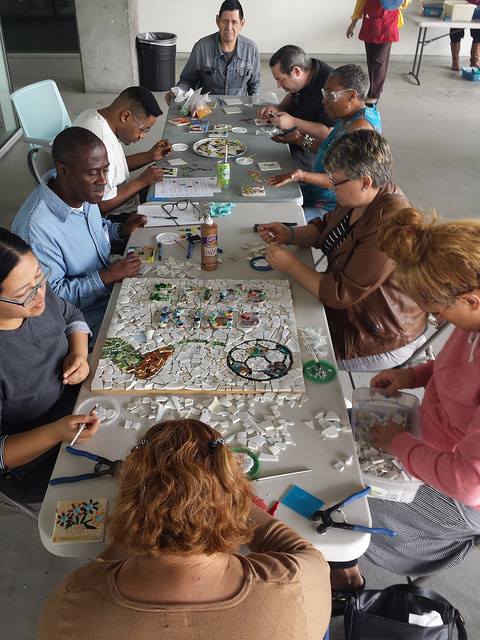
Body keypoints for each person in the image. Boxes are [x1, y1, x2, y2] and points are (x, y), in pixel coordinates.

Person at [38, 419, 331, 640]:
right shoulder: (295, 583)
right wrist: (227, 497)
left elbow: (104, 569)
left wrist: (147, 513)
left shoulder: (76, 598)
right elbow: (302, 550)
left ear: (128, 501)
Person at [330, 209, 480, 608]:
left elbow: (467, 483)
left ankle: (346, 572)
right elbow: (452, 369)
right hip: (427, 438)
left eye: (437, 311)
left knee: (335, 503)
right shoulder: (473, 324)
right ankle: (341, 556)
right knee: (330, 433)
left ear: (471, 299)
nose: (434, 319)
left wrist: (399, 444)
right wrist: (412, 376)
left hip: (461, 496)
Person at [258, 130, 426, 372]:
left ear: (365, 182)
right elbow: (325, 226)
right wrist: (290, 234)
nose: (331, 187)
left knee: (284, 353)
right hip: (352, 311)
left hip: (377, 335)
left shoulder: (390, 225)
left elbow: (339, 294)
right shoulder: (362, 197)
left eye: (336, 182)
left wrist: (290, 265)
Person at [12, 127, 146, 339]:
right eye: (93, 173)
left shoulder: (81, 193)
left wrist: (121, 231)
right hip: (81, 321)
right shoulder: (37, 228)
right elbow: (51, 301)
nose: (103, 180)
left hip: (109, 291)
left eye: (105, 170)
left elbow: (96, 231)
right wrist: (106, 276)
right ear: (63, 171)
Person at [0, 229, 100, 503]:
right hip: (35, 451)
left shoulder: (36, 300)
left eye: (39, 276)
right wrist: (55, 432)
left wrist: (79, 353)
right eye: (25, 291)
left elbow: (71, 315)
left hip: (77, 401)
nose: (40, 293)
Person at [268, 64, 381, 221]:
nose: (324, 101)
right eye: (324, 93)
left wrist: (302, 175)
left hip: (331, 205)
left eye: (331, 95)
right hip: (315, 191)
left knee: (278, 221)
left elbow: (343, 179)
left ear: (351, 96)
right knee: (269, 194)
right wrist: (300, 139)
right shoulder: (349, 116)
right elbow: (332, 149)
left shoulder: (359, 129)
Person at [73, 86, 172, 215]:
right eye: (143, 129)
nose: (142, 136)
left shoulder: (92, 115)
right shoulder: (99, 143)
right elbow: (102, 205)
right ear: (125, 116)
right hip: (113, 217)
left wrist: (150, 156)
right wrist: (142, 181)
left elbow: (114, 167)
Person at [257, 45, 335, 172]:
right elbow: (293, 94)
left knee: (278, 168)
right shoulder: (307, 70)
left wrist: (294, 122)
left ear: (297, 71)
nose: (278, 85)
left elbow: (329, 133)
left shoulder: (328, 86)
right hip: (297, 134)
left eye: (281, 80)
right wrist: (279, 108)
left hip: (318, 147)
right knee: (260, 144)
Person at [165, 0, 260, 104]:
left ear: (242, 24)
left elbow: (255, 85)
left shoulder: (251, 50)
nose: (229, 27)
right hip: (207, 108)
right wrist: (178, 91)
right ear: (217, 21)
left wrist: (255, 108)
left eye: (234, 22)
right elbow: (187, 80)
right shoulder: (202, 47)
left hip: (240, 109)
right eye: (225, 21)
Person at [346, 0, 411, 103]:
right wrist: (353, 22)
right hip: (370, 21)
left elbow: (402, 2)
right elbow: (360, 2)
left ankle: (374, 94)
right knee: (371, 60)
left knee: (379, 61)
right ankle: (372, 90)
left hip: (388, 22)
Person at [450, 1, 480, 71]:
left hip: (477, 10)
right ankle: (455, 61)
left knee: (478, 34)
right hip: (461, 6)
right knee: (455, 32)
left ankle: (475, 62)